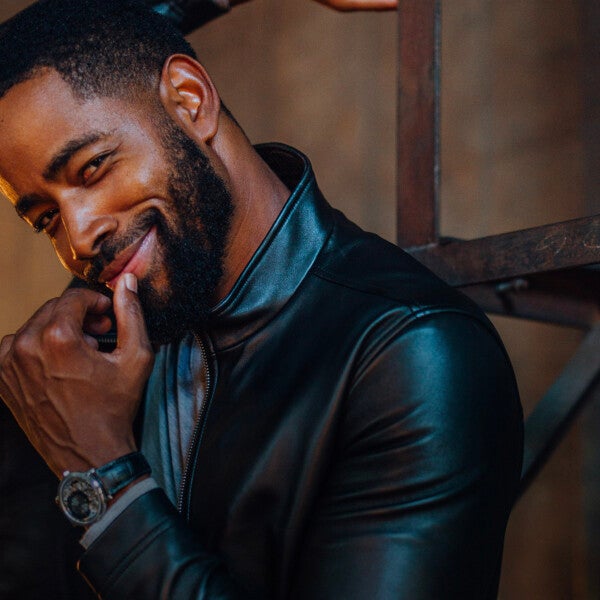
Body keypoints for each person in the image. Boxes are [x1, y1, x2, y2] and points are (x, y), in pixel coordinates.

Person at [0, 0, 523, 598]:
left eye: (93, 167)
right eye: (46, 219)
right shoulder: (83, 353)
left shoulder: (409, 355)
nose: (79, 237)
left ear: (190, 101)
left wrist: (106, 482)